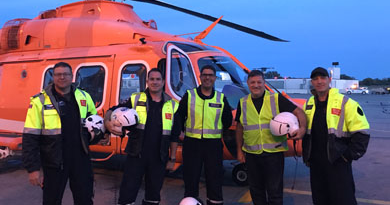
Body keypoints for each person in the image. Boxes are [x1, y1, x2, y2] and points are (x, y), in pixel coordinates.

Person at [22, 61, 102, 205]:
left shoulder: (84, 96)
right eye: (58, 74)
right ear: (53, 77)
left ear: (72, 76)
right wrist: (32, 168)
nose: (62, 77)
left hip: (80, 158)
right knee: (51, 200)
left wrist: (101, 135)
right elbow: (30, 137)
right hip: (54, 160)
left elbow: (95, 122)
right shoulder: (39, 101)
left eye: (65, 74)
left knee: (84, 198)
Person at [104, 68, 180, 205]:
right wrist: (107, 123)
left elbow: (174, 136)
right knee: (127, 193)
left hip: (159, 157)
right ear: (147, 82)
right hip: (136, 155)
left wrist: (172, 158)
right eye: (152, 79)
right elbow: (112, 110)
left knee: (153, 196)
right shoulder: (136, 98)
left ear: (163, 82)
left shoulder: (173, 105)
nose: (155, 82)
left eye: (158, 79)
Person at [235, 70, 306, 205]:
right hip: (251, 154)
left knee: (274, 192)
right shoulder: (243, 102)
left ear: (264, 83)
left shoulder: (276, 99)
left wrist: (302, 129)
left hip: (274, 154)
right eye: (252, 82)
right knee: (256, 191)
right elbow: (240, 127)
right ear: (248, 84)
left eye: (259, 82)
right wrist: (239, 151)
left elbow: (299, 112)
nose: (256, 85)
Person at [302, 67, 370, 205]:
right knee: (320, 199)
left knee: (343, 199)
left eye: (322, 78)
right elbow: (305, 130)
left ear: (329, 80)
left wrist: (347, 156)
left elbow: (362, 133)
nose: (319, 81)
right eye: (315, 79)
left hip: (337, 162)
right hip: (316, 163)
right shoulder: (309, 103)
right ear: (312, 82)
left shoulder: (346, 102)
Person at [174, 65, 233, 205]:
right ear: (200, 77)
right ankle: (190, 202)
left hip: (213, 146)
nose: (207, 77)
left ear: (215, 78)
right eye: (205, 75)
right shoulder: (190, 95)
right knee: (190, 179)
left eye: (211, 75)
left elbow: (228, 121)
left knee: (215, 179)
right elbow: (178, 117)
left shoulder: (221, 98)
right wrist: (180, 133)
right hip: (192, 144)